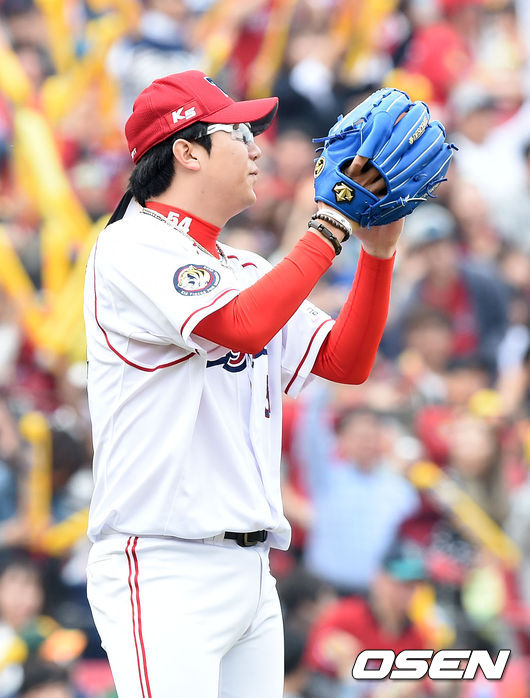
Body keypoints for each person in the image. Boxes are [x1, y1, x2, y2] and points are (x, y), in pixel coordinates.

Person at [84, 70, 410, 698]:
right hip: (163, 562)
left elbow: (345, 361)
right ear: (188, 152)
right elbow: (239, 326)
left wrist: (377, 256)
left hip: (252, 571)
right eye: (239, 134)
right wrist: (328, 227)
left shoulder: (243, 267)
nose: (258, 147)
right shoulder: (130, 245)